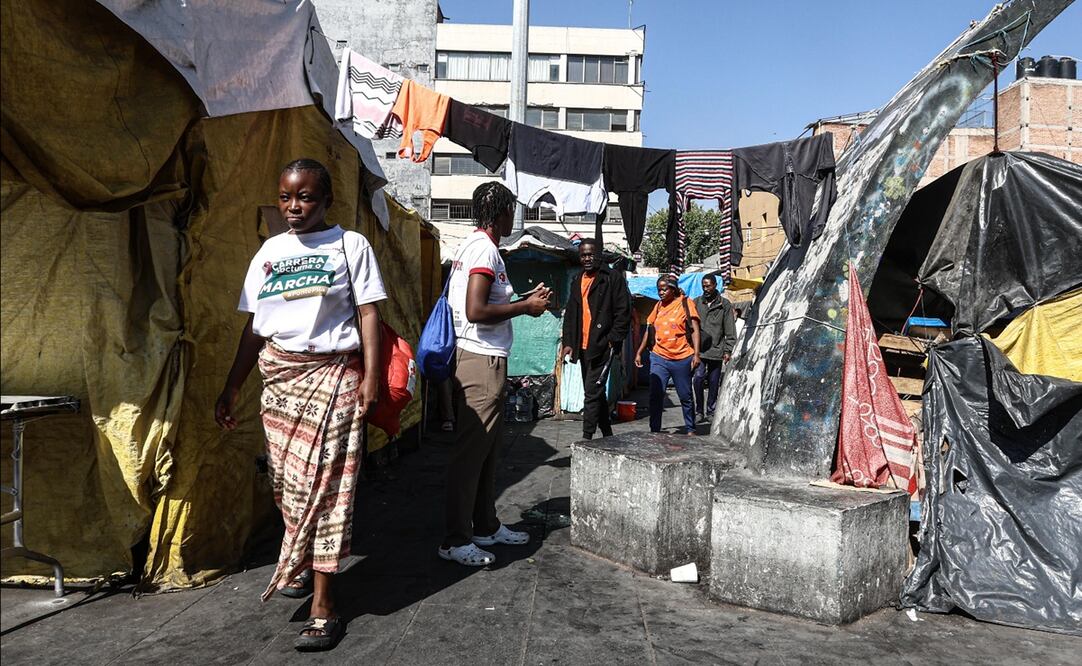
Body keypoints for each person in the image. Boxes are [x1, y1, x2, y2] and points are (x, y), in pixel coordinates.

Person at [214, 158, 384, 651]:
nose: (294, 207)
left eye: (306, 197)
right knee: (289, 488)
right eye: (287, 197)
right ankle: (303, 564)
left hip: (333, 379)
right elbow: (255, 327)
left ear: (326, 200)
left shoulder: (351, 246)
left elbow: (369, 314)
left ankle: (325, 606)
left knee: (329, 492)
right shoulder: (270, 251)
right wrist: (232, 387)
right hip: (280, 384)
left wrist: (371, 380)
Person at [440, 182, 551, 567]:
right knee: (471, 456)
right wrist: (526, 307)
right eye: (511, 211)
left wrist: (524, 301)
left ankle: (486, 526)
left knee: (487, 453)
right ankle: (456, 539)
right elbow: (475, 309)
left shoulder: (474, 247)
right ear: (502, 212)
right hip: (479, 360)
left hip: (484, 359)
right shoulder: (484, 249)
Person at [561, 238, 630, 440]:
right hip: (583, 346)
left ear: (598, 255)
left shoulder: (611, 278)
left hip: (603, 345)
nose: (587, 258)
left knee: (591, 392)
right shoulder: (577, 280)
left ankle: (587, 437)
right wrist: (568, 343)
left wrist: (613, 339)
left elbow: (623, 311)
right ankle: (607, 433)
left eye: (591, 254)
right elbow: (571, 314)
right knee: (596, 392)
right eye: (583, 255)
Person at [635, 275, 701, 435]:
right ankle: (654, 429)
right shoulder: (658, 306)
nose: (661, 292)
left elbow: (695, 330)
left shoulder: (686, 303)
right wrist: (639, 351)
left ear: (673, 289)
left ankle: (690, 428)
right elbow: (650, 329)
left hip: (682, 357)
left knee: (685, 395)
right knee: (655, 394)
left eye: (664, 289)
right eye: (659, 290)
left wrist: (696, 354)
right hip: (659, 357)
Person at [693, 274, 737, 423]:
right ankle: (699, 411)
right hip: (699, 350)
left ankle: (711, 410)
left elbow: (729, 328)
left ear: (715, 285)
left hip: (717, 349)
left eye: (708, 286)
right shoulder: (697, 303)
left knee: (713, 382)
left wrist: (728, 350)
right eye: (703, 286)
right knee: (698, 378)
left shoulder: (724, 305)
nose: (705, 289)